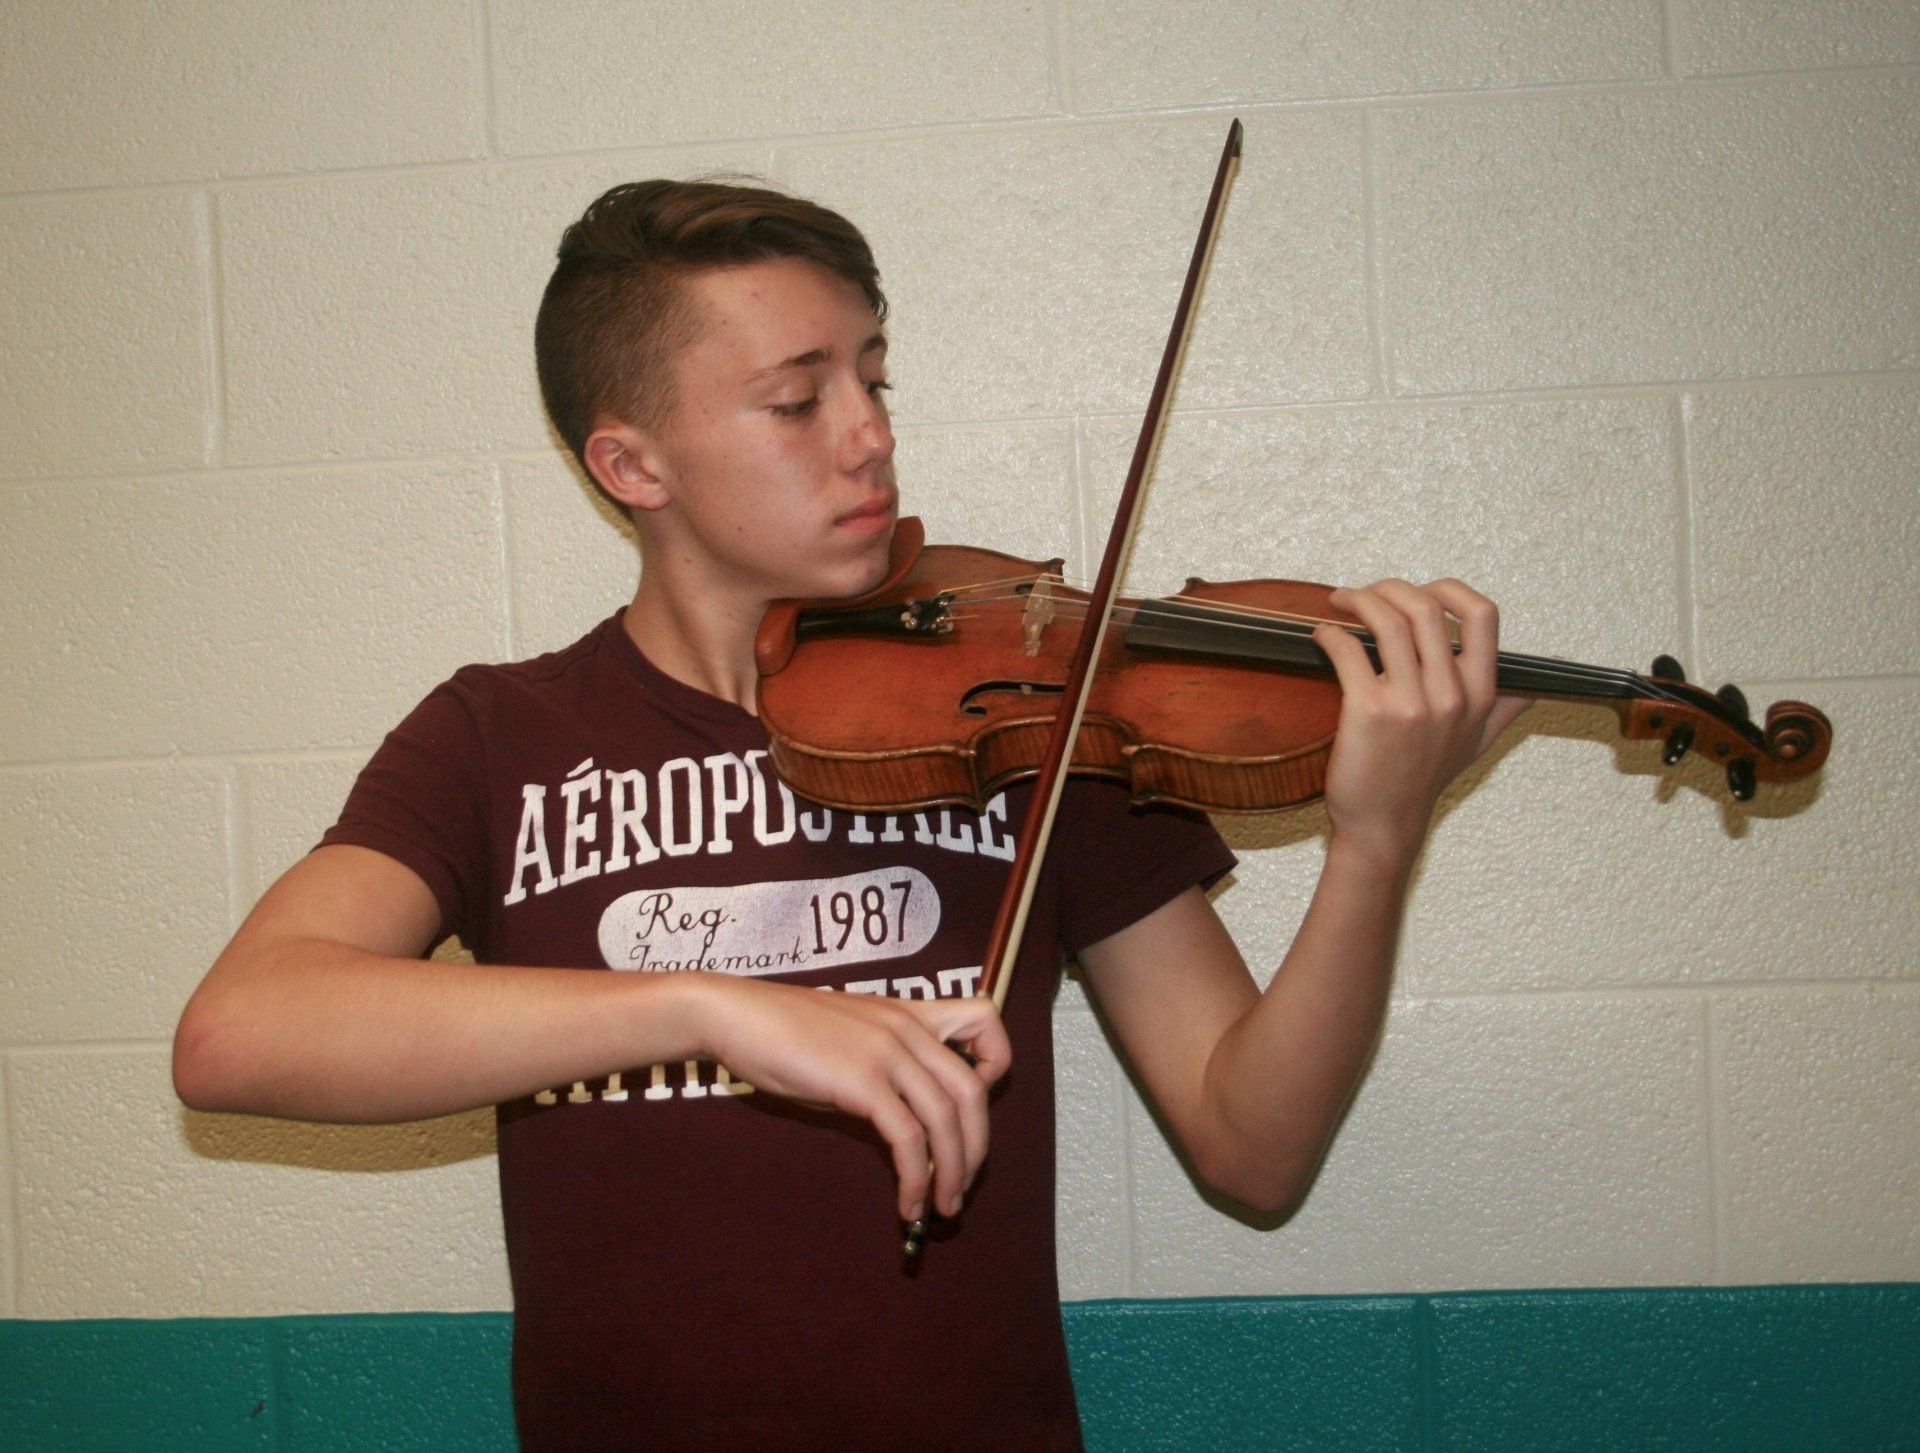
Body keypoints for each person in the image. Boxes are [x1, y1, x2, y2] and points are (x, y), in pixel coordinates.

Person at [172, 178, 1527, 1451]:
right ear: (634, 464)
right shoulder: (497, 738)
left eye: (872, 375)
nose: (870, 431)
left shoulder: (1034, 711)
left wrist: (1378, 841)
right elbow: (240, 1033)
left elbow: (1257, 1147)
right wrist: (702, 1006)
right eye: (796, 398)